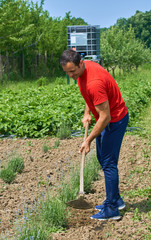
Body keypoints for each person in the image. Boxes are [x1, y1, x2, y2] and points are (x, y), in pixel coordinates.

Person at [60, 49, 129, 221]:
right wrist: (87, 113)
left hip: (114, 121)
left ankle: (112, 209)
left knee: (108, 163)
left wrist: (88, 140)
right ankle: (116, 200)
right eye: (67, 72)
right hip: (107, 119)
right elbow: (88, 96)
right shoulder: (85, 70)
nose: (71, 76)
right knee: (103, 158)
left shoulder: (94, 82)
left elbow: (106, 116)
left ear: (80, 63)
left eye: (73, 71)